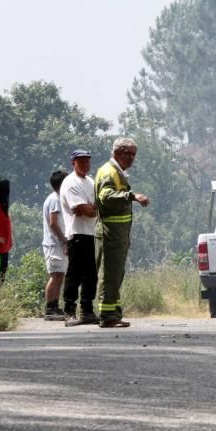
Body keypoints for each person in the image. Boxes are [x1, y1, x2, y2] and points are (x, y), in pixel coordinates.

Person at [94, 137, 149, 328]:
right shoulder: (109, 172)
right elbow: (106, 197)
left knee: (116, 274)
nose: (132, 158)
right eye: (129, 154)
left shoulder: (117, 171)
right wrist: (131, 196)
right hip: (111, 232)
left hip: (118, 233)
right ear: (118, 153)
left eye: (134, 154)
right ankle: (107, 316)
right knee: (110, 274)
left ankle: (113, 313)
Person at [60, 149, 100, 327]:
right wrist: (89, 208)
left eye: (87, 161)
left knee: (90, 275)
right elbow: (85, 210)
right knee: (74, 274)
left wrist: (91, 208)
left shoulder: (90, 182)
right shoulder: (71, 183)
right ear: (73, 163)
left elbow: (94, 208)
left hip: (91, 233)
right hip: (76, 233)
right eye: (81, 161)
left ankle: (87, 310)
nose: (85, 164)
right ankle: (69, 311)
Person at [42, 169, 69, 320]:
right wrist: (64, 240)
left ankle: (55, 306)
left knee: (60, 274)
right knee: (56, 275)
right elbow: (53, 223)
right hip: (54, 244)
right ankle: (50, 307)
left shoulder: (59, 198)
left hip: (58, 243)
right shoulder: (55, 199)